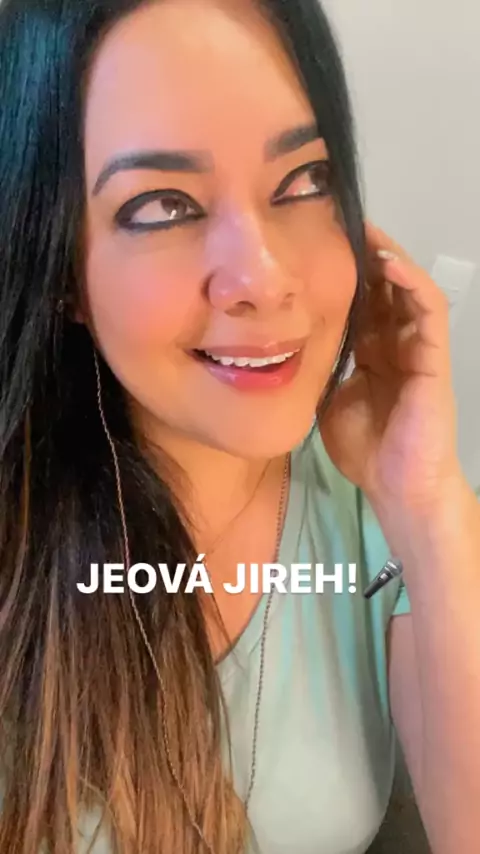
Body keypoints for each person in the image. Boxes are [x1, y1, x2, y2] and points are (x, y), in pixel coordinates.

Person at [0, 0, 479, 852]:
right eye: (162, 206)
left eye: (305, 181)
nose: (263, 277)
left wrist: (428, 502)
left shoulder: (379, 511)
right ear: (62, 267)